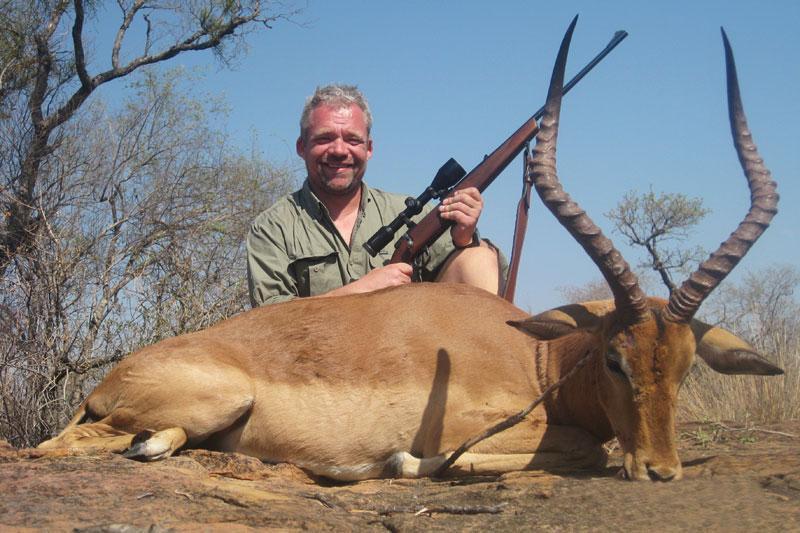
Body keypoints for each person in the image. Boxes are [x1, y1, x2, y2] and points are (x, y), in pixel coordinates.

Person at [246, 84, 504, 307]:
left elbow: (473, 278)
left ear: (369, 149)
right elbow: (270, 316)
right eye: (324, 138)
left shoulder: (413, 214)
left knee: (479, 258)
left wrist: (463, 238)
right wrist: (360, 293)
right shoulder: (272, 227)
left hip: (404, 358)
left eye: (352, 140)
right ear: (302, 147)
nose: (339, 150)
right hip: (314, 362)